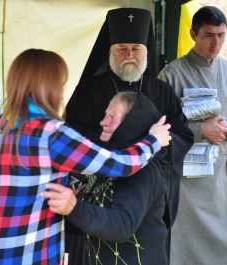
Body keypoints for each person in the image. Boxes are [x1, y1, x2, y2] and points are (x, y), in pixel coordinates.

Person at [0, 48, 172, 265]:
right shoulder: (50, 134)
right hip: (28, 254)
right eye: (60, 84)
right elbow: (118, 164)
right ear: (49, 87)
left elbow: (9, 181)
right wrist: (153, 141)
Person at [64, 8, 194, 249]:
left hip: (148, 198)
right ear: (110, 51)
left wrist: (157, 144)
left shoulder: (162, 90)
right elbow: (73, 137)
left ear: (146, 51)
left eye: (136, 49)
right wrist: (123, 144)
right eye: (122, 49)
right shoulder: (88, 91)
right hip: (98, 201)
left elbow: (182, 134)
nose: (129, 55)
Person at [158, 6, 227, 265]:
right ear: (193, 34)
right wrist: (199, 130)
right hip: (188, 183)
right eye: (209, 35)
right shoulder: (170, 74)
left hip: (224, 177)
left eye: (222, 35)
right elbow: (160, 127)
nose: (216, 42)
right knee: (186, 254)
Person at [43, 91, 171, 265]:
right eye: (105, 114)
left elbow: (122, 226)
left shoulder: (144, 171)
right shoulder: (108, 163)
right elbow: (92, 223)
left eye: (112, 117)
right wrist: (74, 202)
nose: (103, 122)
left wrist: (75, 207)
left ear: (131, 124)